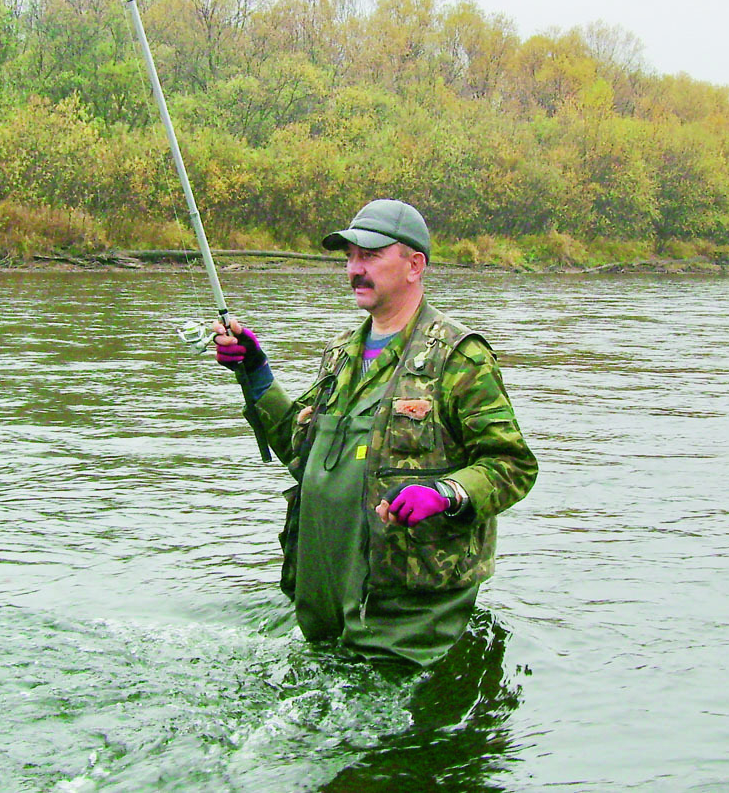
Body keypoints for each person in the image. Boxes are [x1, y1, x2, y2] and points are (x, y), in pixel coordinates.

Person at [213, 199, 537, 667]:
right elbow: (302, 452)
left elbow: (512, 465)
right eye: (349, 257)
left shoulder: (459, 357)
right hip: (325, 598)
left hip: (404, 615)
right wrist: (257, 374)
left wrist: (447, 493)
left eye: (370, 255)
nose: (355, 269)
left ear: (414, 265)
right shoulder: (340, 354)